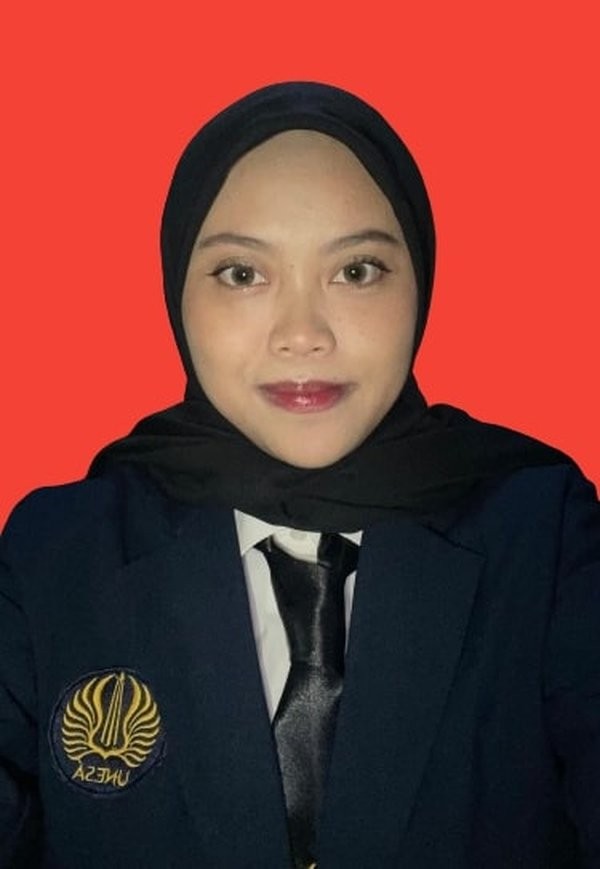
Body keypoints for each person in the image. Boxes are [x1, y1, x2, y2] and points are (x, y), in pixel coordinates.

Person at [1, 82, 599, 869]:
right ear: (177, 288)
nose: (303, 334)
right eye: (241, 274)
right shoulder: (55, 555)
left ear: (420, 280)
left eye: (357, 269)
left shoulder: (544, 536)